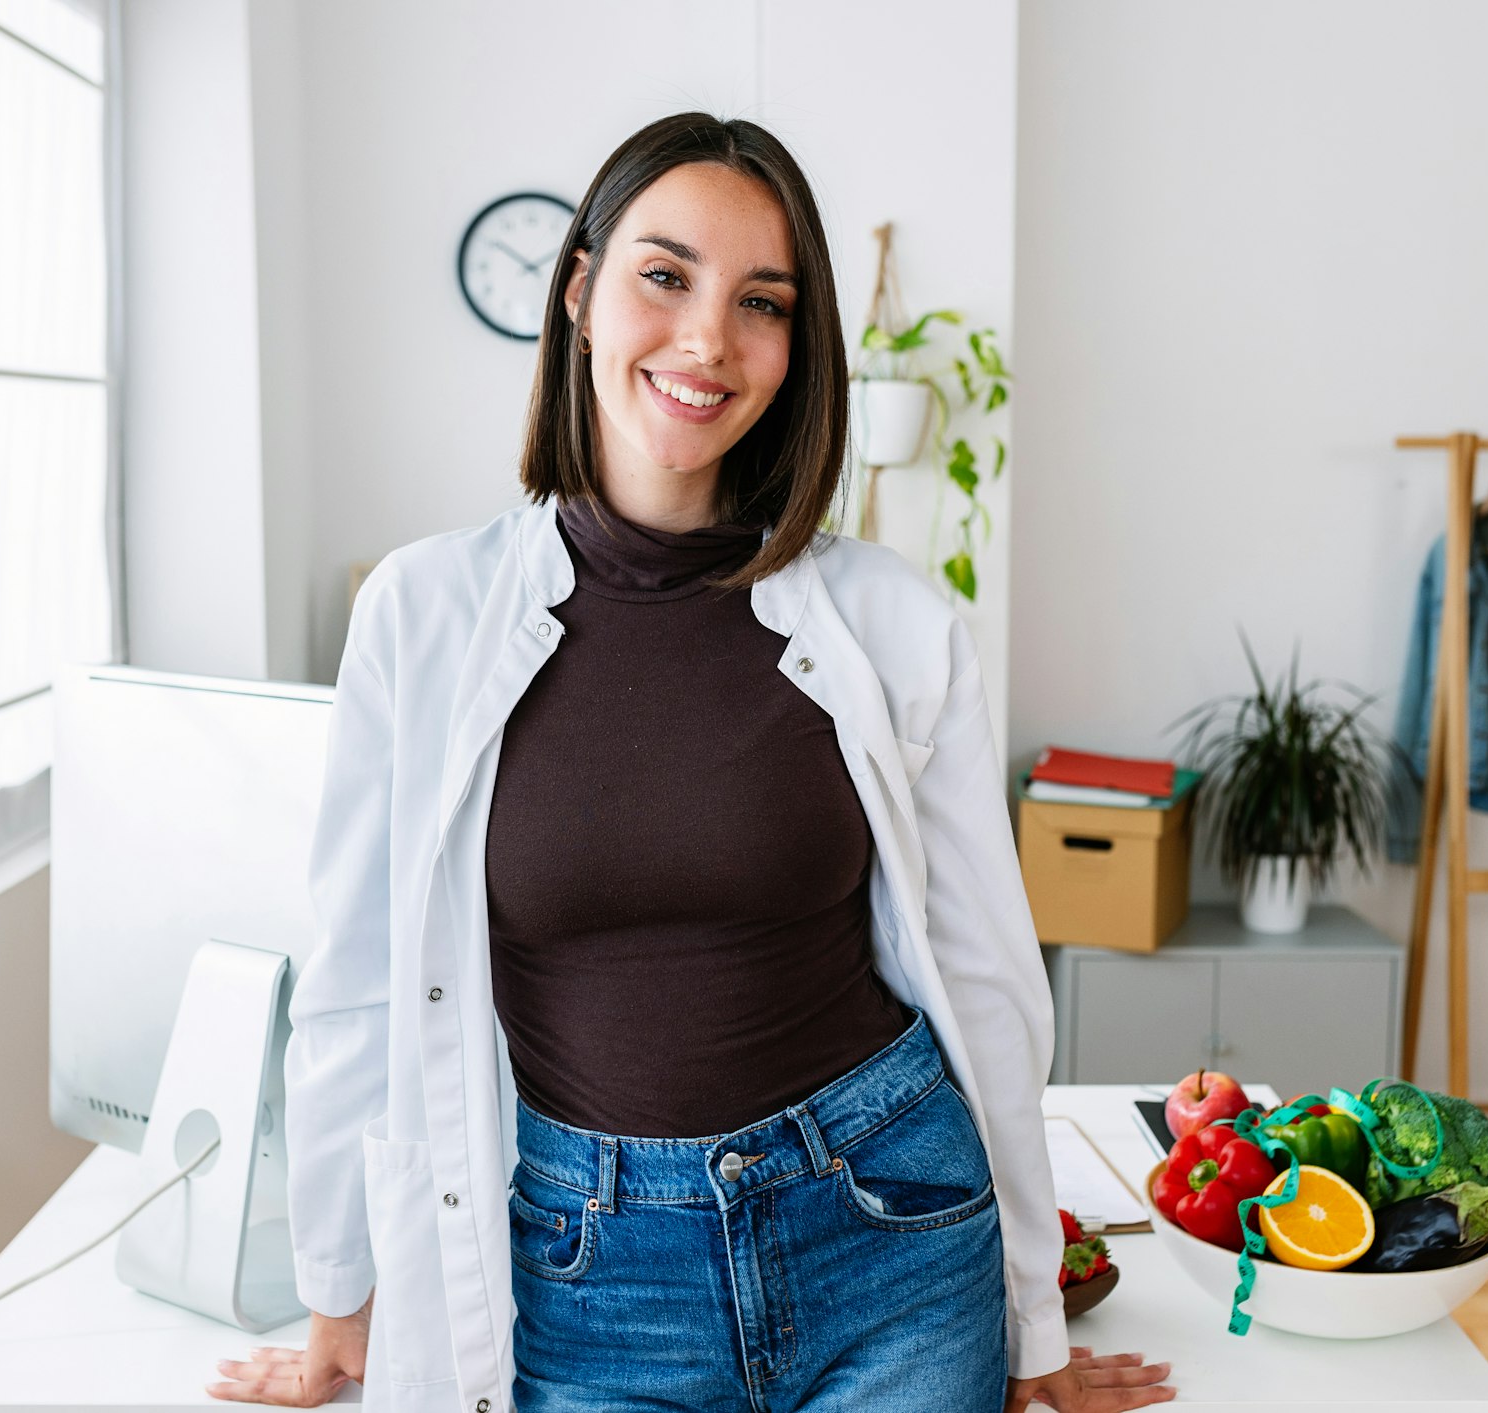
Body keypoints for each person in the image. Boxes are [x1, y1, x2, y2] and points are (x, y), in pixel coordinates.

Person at [208, 111, 1175, 1412]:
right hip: (586, 1265)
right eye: (665, 275)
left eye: (761, 302)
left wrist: (1031, 1324)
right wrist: (339, 1285)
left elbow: (992, 985)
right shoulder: (422, 612)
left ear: (798, 343)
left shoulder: (895, 624)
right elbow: (353, 976)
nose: (709, 339)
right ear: (580, 292)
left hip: (887, 1220)